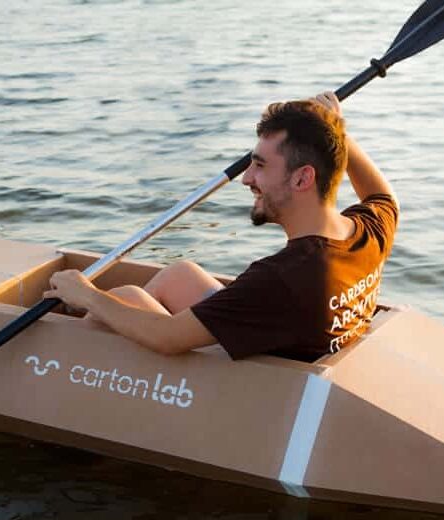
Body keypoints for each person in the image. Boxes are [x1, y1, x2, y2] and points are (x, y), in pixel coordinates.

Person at [45, 91, 398, 361]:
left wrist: (85, 294)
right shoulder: (368, 232)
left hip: (256, 382)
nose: (246, 179)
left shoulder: (282, 278)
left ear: (303, 178)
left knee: (123, 300)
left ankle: (54, 367)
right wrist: (336, 132)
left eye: (260, 165)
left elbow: (168, 338)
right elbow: (384, 197)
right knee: (180, 275)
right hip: (289, 336)